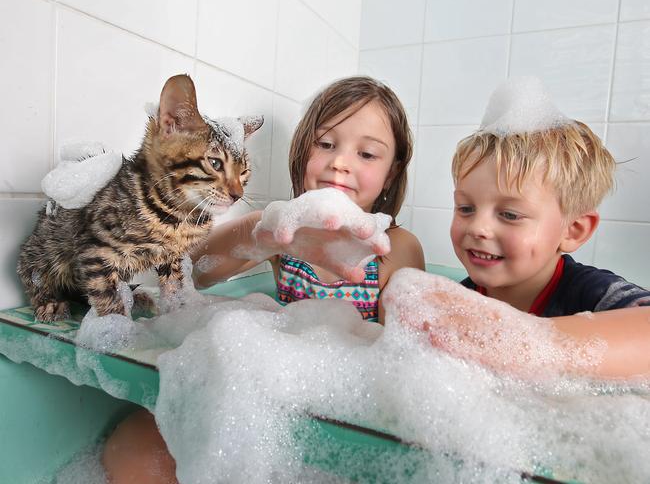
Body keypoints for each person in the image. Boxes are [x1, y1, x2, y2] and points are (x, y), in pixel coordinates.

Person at [102, 76, 425, 483]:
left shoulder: (397, 248)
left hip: (344, 412)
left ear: (392, 173)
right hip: (272, 395)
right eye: (325, 144)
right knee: (129, 447)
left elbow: (407, 366)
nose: (341, 162)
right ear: (302, 151)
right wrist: (259, 233)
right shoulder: (281, 231)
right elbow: (187, 271)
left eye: (367, 154)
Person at [390, 79, 650, 381]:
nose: (478, 227)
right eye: (466, 208)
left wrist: (522, 341)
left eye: (510, 214)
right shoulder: (463, 302)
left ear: (574, 231)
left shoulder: (593, 294)